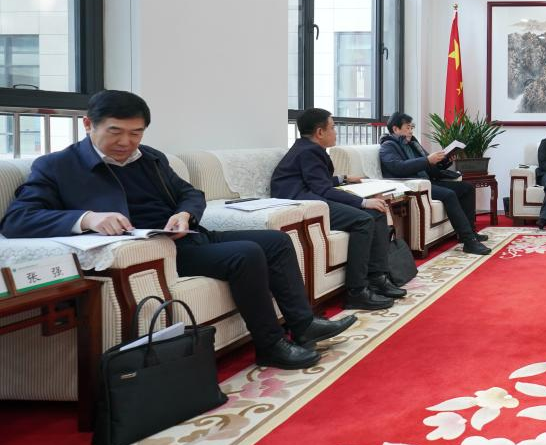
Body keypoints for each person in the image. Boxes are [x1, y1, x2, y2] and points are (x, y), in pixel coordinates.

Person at [0, 91, 355, 370]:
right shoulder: (58, 166)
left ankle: (303, 324)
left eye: (136, 133)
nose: (126, 142)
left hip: (184, 236)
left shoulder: (150, 158)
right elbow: (18, 219)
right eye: (115, 132)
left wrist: (185, 214)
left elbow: (190, 193)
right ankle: (271, 345)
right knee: (245, 254)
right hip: (152, 253)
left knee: (276, 241)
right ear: (88, 124)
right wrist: (88, 218)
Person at [271, 108, 403, 311]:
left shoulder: (307, 148)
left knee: (376, 213)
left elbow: (315, 180)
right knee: (363, 219)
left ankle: (377, 277)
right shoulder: (309, 151)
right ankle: (356, 291)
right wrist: (362, 202)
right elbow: (322, 189)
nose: (336, 132)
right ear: (320, 132)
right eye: (332, 127)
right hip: (303, 205)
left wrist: (343, 179)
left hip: (310, 196)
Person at [378, 112, 491, 255]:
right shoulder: (388, 146)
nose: (411, 131)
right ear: (395, 129)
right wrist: (427, 160)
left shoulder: (413, 144)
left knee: (467, 188)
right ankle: (469, 241)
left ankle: (471, 232)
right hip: (414, 186)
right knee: (449, 194)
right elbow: (398, 168)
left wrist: (446, 160)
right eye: (408, 127)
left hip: (428, 182)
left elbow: (431, 166)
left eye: (412, 127)